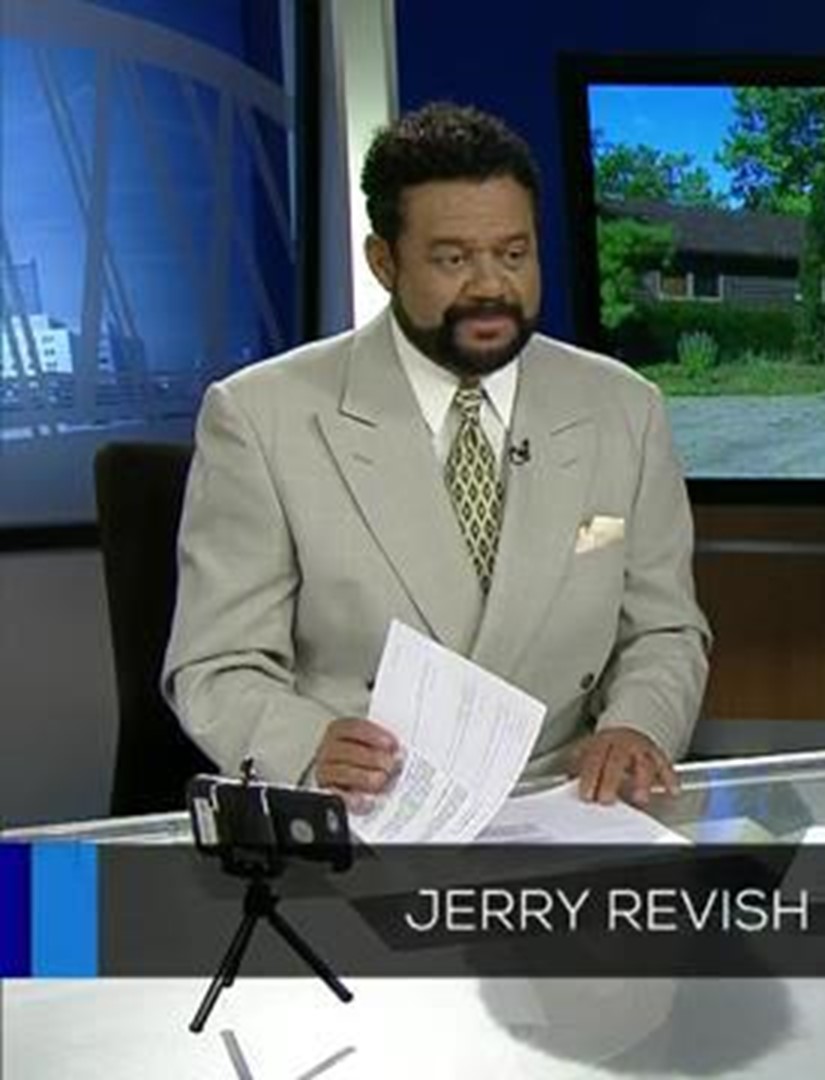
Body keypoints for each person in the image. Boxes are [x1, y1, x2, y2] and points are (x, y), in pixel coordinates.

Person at [164, 103, 710, 807]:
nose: (490, 286)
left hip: (567, 802)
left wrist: (637, 728)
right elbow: (217, 662)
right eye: (453, 259)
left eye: (514, 255)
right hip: (369, 808)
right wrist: (307, 747)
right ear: (384, 261)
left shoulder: (625, 410)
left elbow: (664, 630)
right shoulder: (262, 417)